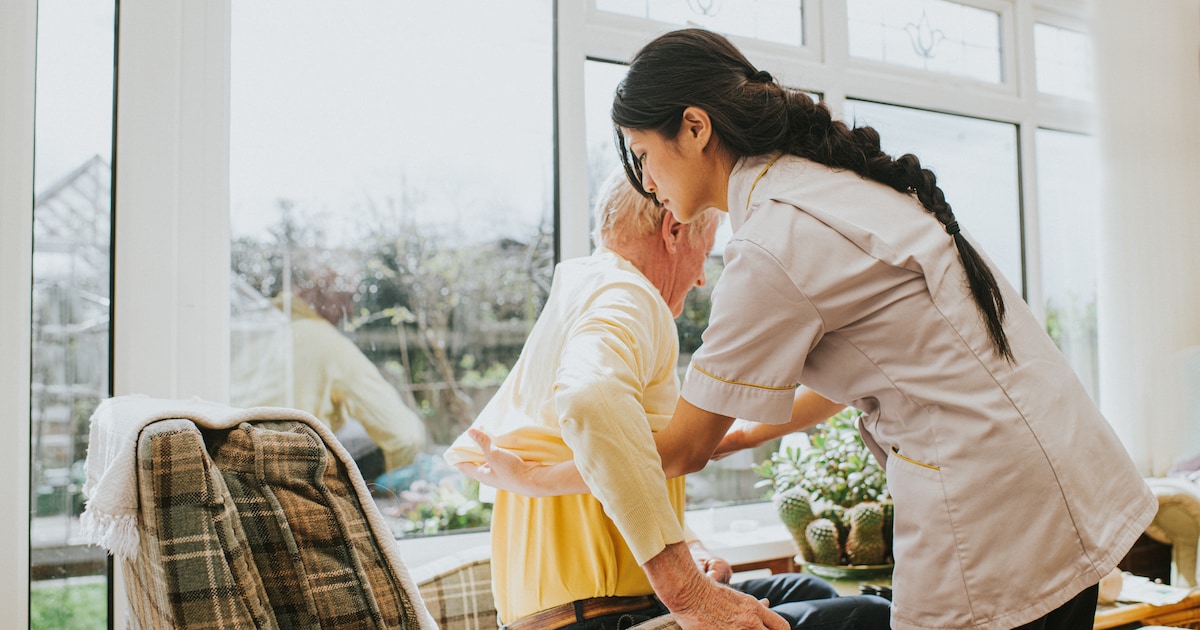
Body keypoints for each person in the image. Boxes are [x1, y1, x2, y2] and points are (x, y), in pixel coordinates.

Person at [463, 28, 1158, 630]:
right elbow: (850, 382)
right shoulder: (820, 188)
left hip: (999, 512)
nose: (647, 182)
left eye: (643, 154)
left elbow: (681, 445)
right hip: (1057, 482)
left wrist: (537, 478)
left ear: (695, 128)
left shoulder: (772, 241)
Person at [447, 170, 890, 630]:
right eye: (706, 251)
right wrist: (686, 589)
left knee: (808, 591)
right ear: (674, 230)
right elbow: (590, 397)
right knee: (869, 616)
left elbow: (633, 457)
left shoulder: (581, 293)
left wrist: (689, 544)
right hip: (596, 618)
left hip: (582, 610)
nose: (700, 278)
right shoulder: (627, 295)